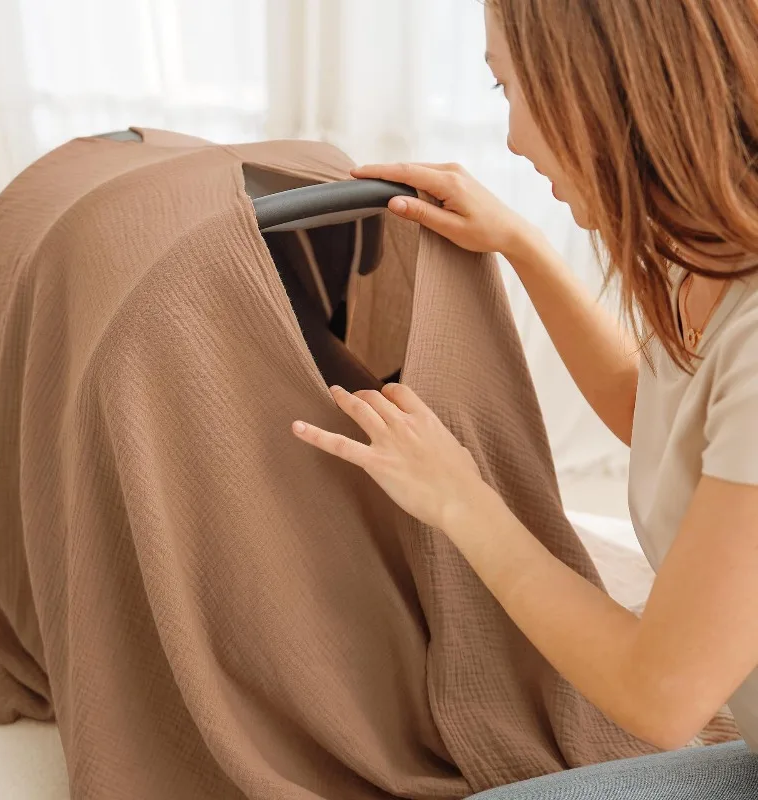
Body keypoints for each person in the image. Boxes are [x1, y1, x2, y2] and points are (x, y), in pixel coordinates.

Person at [290, 0, 758, 797]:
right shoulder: (713, 248)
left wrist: (461, 499)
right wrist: (520, 245)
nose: (511, 139)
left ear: (608, 83)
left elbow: (662, 694)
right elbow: (666, 419)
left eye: (512, 89)